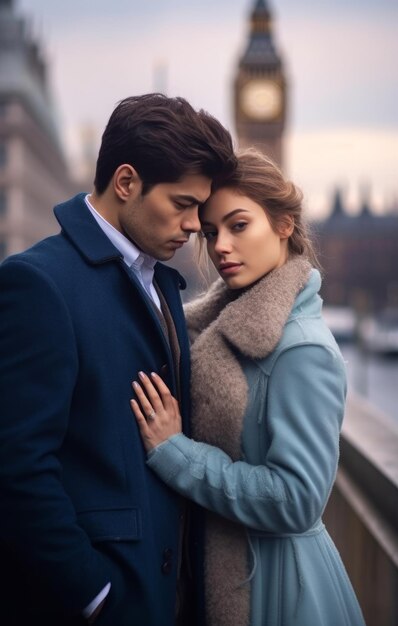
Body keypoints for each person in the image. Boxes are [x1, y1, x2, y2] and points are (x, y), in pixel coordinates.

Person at [0, 93, 236, 626]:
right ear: (126, 183)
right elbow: (16, 469)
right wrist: (96, 596)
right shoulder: (38, 284)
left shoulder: (161, 280)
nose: (197, 224)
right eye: (182, 204)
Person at [131, 148, 366, 626]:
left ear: (283, 225)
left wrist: (177, 453)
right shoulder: (218, 329)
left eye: (239, 226)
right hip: (241, 576)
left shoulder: (301, 349)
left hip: (282, 591)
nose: (220, 246)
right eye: (213, 231)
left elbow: (298, 500)